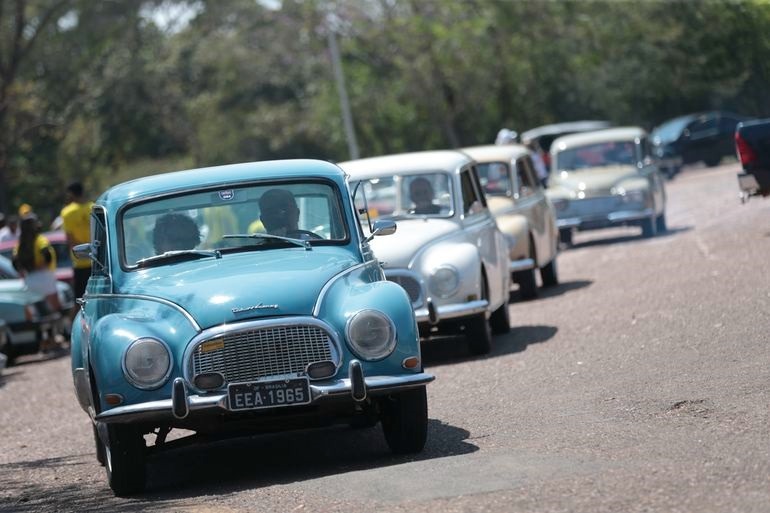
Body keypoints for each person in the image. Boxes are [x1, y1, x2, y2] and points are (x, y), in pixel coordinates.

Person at [12, 214, 62, 323]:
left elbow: (15, 262)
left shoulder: (20, 243)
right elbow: (47, 255)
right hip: (45, 277)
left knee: (37, 313)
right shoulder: (40, 240)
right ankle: (58, 333)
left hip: (29, 279)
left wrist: (25, 270)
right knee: (55, 310)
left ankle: (42, 334)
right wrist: (41, 266)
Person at [60, 182, 93, 308]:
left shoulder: (67, 212)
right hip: (99, 261)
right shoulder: (93, 207)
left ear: (71, 194)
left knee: (80, 301)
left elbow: (70, 240)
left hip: (80, 262)